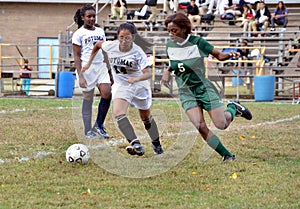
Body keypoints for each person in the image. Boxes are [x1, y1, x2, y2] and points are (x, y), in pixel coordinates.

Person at [161, 13, 252, 161]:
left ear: (184, 28)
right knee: (199, 125)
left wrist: (231, 54)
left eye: (174, 30)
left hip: (203, 88)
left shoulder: (198, 42)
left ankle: (233, 108)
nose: (171, 34)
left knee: (221, 124)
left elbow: (219, 55)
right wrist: (167, 71)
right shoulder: (169, 45)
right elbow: (175, 63)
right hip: (186, 91)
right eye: (169, 31)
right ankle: (227, 155)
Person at [82, 23, 164, 156]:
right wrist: (88, 62)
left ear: (133, 38)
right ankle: (136, 144)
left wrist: (136, 79)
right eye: (121, 38)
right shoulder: (110, 46)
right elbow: (97, 44)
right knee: (118, 113)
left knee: (146, 117)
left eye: (128, 38)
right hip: (122, 85)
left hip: (139, 86)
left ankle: (157, 145)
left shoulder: (138, 52)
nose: (124, 41)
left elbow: (147, 73)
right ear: (117, 37)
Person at [72, 5, 112, 139]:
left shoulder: (100, 31)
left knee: (107, 93)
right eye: (89, 16)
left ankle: (99, 125)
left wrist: (110, 70)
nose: (92, 18)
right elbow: (77, 56)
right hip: (86, 68)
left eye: (94, 16)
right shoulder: (78, 34)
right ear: (83, 18)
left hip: (100, 67)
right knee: (88, 98)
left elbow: (104, 50)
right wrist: (80, 76)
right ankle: (87, 130)